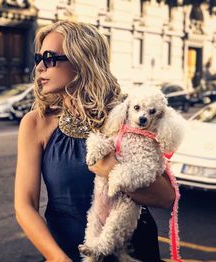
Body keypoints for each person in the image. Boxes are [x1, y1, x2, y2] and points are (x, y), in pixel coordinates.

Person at [14, 21, 175, 262]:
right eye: (38, 58)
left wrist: (112, 170)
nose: (39, 67)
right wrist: (57, 258)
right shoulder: (36, 124)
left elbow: (166, 197)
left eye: (49, 58)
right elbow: (24, 204)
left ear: (82, 60)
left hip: (132, 251)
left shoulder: (126, 116)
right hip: (67, 251)